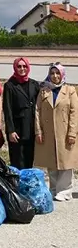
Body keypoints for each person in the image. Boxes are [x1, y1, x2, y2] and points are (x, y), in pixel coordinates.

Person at [35, 63, 78, 201]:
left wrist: (72, 132)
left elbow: (74, 112)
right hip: (48, 131)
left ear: (62, 74)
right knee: (51, 160)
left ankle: (65, 191)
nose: (55, 76)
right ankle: (53, 189)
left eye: (57, 73)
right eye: (52, 73)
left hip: (64, 131)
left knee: (66, 161)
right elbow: (37, 111)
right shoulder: (44, 91)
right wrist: (38, 131)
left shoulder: (70, 90)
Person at [3, 57, 40, 169]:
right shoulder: (10, 85)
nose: (22, 69)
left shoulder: (34, 84)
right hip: (17, 129)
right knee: (17, 159)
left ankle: (27, 183)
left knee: (29, 158)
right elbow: (7, 109)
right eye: (19, 66)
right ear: (15, 68)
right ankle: (17, 184)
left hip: (31, 127)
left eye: (24, 66)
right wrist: (10, 130)